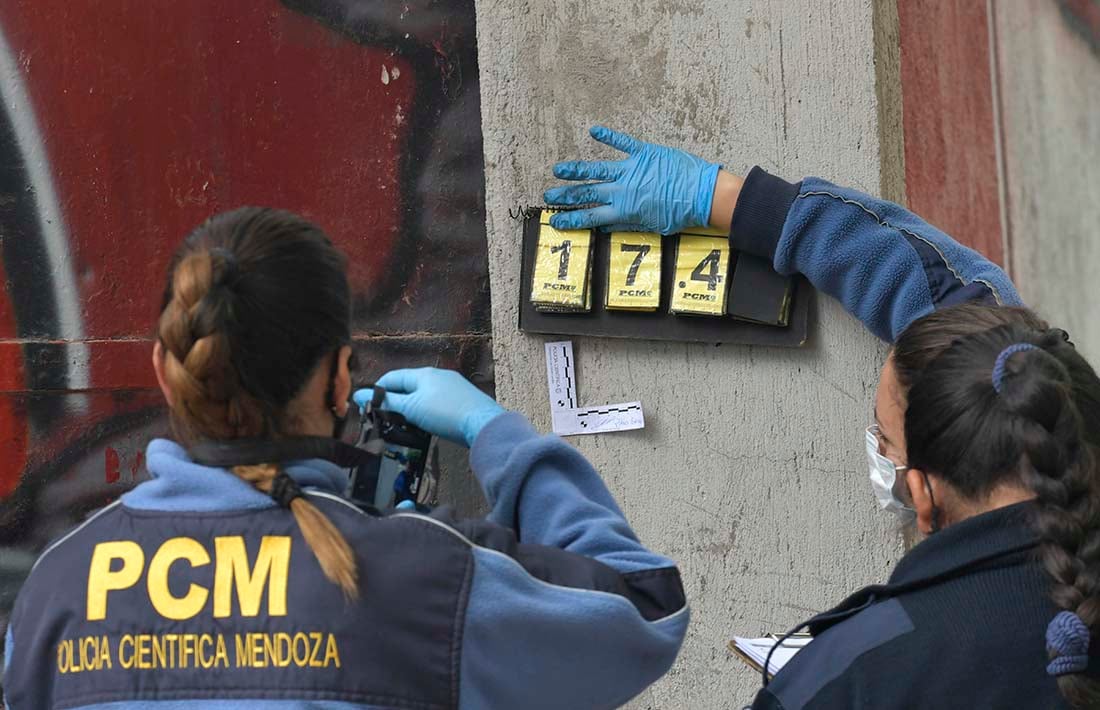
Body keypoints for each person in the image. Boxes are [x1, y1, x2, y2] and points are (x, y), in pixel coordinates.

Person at [2, 207, 688, 709]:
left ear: (164, 368)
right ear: (338, 379)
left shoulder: (57, 588)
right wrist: (493, 431)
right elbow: (645, 609)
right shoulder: (424, 576)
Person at [546, 126, 1100, 709]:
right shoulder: (1043, 397)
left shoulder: (851, 678)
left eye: (885, 439)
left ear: (926, 498)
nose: (879, 450)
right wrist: (730, 200)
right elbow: (974, 337)